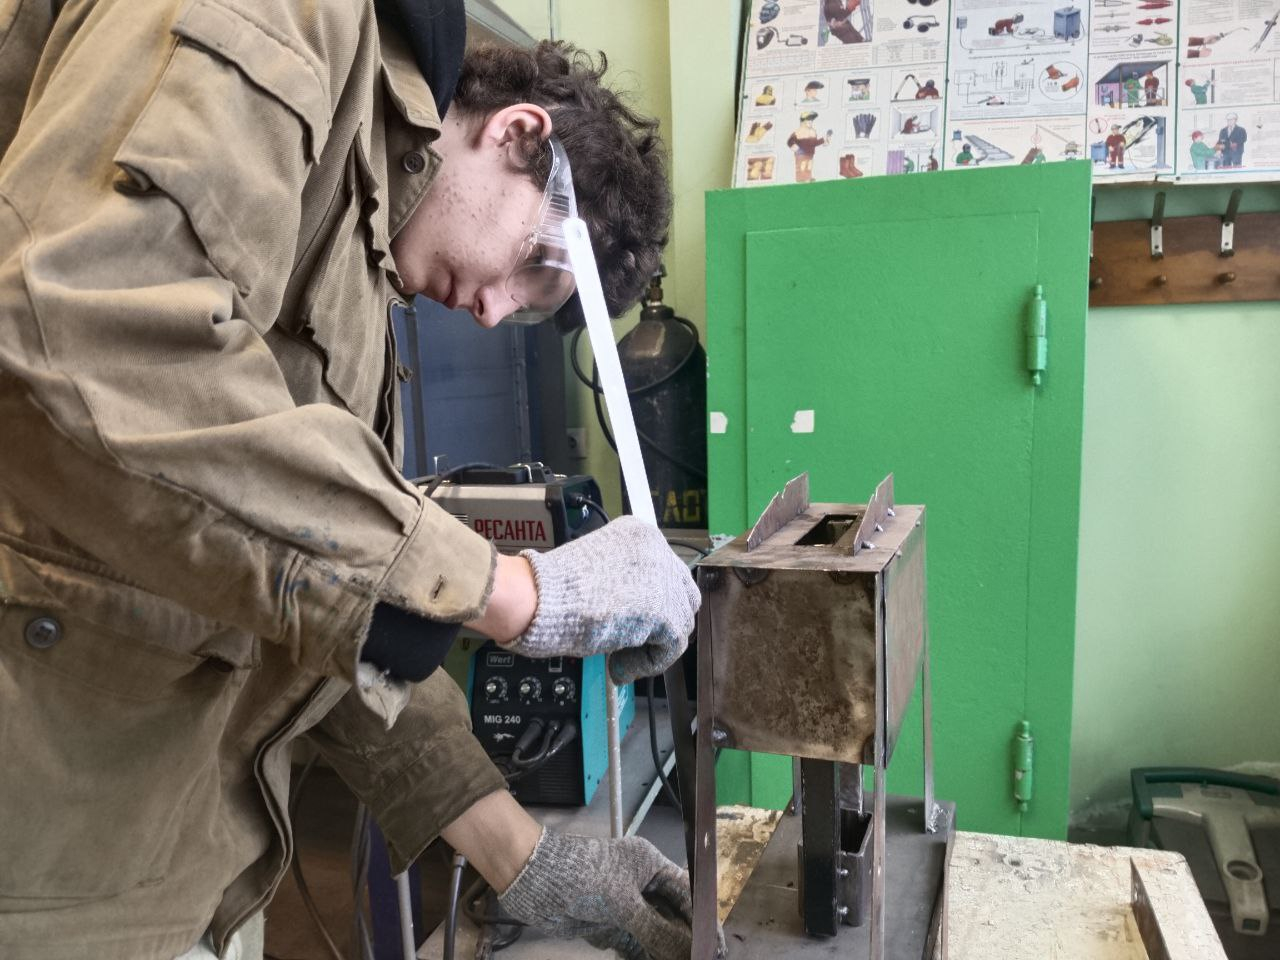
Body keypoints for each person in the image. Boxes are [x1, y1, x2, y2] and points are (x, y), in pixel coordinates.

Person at [0, 3, 708, 960]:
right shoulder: (296, 17)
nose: (492, 313)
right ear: (517, 133)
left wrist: (526, 859)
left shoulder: (357, 255)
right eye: (529, 268)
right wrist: (511, 592)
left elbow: (312, 601)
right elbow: (89, 331)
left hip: (160, 865)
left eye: (526, 311)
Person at [786, 111, 832, 181]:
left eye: (811, 121)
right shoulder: (798, 132)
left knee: (809, 166)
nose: (811, 122)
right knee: (802, 166)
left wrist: (824, 139)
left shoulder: (813, 132)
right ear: (803, 122)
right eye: (808, 120)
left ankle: (808, 177)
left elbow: (814, 143)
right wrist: (794, 146)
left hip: (810, 153)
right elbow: (790, 141)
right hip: (801, 153)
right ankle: (801, 179)